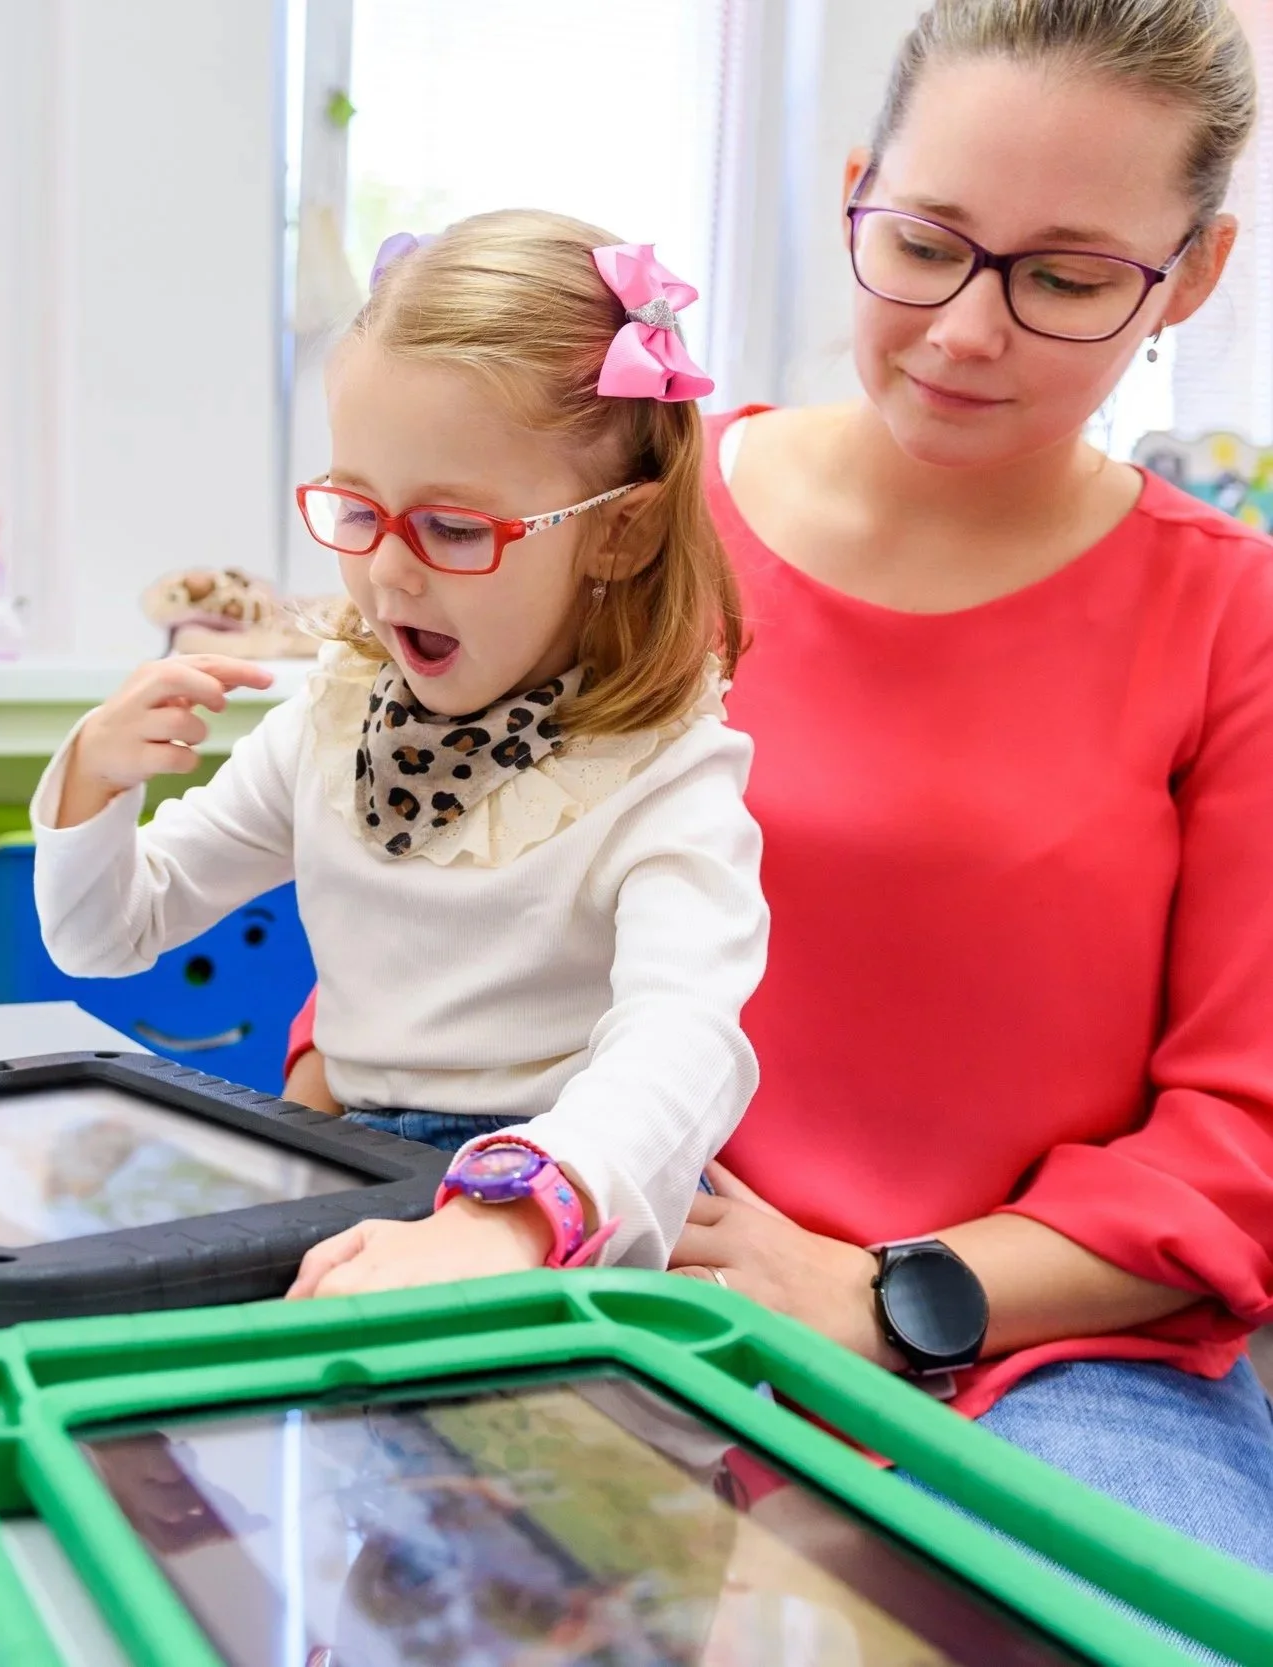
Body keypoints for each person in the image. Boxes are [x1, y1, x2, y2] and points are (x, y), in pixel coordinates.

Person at [282, 0, 1273, 1583]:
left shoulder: (1228, 618)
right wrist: (358, 1077)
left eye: (1065, 278)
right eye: (925, 241)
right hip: (578, 1248)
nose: (961, 329)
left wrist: (888, 1289)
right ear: (852, 190)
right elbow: (431, 841)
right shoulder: (634, 523)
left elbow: (1238, 1129)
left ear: (1191, 276)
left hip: (1040, 1349)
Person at [33, 210, 766, 1277]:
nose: (388, 572)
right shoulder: (333, 725)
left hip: (565, 1200)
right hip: (349, 1165)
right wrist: (95, 780)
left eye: (455, 529)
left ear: (621, 530)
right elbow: (107, 934)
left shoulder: (666, 778)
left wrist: (515, 1214)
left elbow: (680, 1048)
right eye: (355, 509)